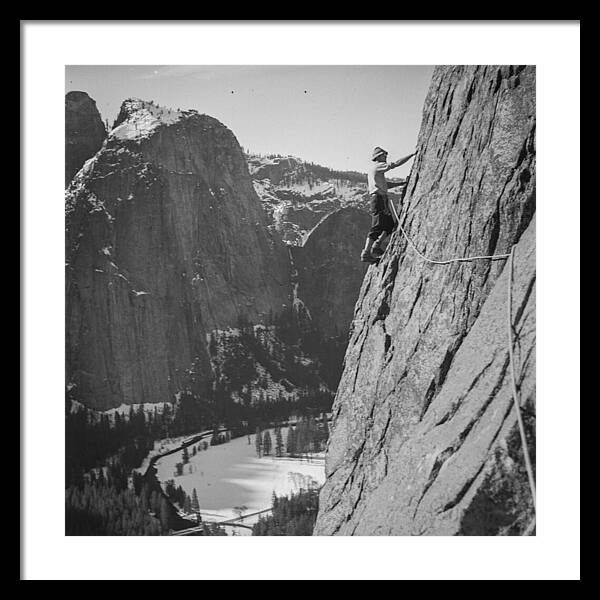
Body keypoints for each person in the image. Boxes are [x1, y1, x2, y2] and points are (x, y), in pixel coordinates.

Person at [361, 146, 417, 263]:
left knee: (389, 225)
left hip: (380, 199)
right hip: (378, 200)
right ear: (378, 157)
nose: (386, 156)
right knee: (377, 226)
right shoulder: (378, 166)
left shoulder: (374, 170)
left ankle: (376, 246)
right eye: (384, 155)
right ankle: (366, 253)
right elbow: (395, 164)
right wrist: (412, 155)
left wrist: (401, 183)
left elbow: (385, 184)